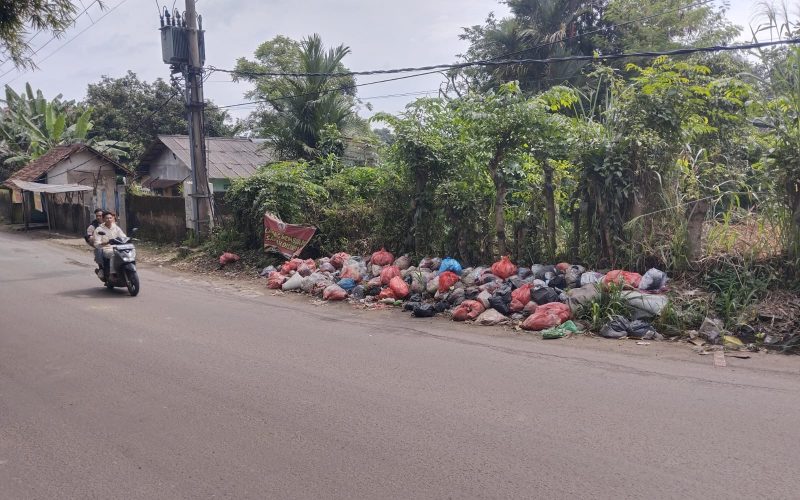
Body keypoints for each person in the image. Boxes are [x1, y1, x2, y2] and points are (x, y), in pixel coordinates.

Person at [93, 211, 126, 279]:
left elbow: (123, 237)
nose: (109, 219)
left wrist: (126, 239)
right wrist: (106, 243)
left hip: (118, 248)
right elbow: (97, 244)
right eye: (107, 218)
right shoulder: (99, 229)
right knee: (114, 255)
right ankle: (112, 274)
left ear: (113, 218)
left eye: (110, 218)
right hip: (106, 249)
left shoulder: (116, 227)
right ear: (103, 219)